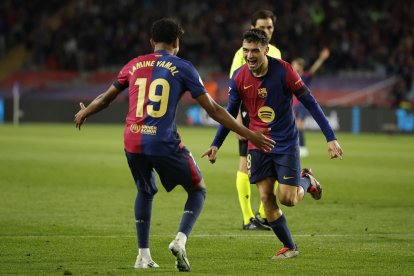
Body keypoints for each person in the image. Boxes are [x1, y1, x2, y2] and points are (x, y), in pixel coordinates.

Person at [74, 18, 274, 271]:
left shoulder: (134, 64)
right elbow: (213, 110)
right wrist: (250, 134)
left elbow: (105, 98)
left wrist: (84, 113)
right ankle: (180, 240)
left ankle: (143, 256)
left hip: (132, 138)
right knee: (197, 189)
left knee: (145, 191)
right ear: (177, 42)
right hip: (162, 140)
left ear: (151, 42)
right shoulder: (184, 67)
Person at [202, 29, 343, 259]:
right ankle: (290, 246)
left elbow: (310, 102)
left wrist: (330, 137)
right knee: (266, 197)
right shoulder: (239, 77)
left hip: (285, 143)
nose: (249, 56)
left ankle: (307, 181)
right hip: (257, 144)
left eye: (255, 50)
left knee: (288, 199)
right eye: (246, 50)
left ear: (266, 50)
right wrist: (216, 144)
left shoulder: (284, 71)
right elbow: (229, 113)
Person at [229, 9, 282, 231]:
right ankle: (247, 217)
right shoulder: (243, 53)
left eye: (269, 27)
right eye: (261, 27)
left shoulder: (276, 52)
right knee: (245, 162)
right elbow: (234, 85)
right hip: (249, 114)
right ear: (253, 28)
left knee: (277, 161)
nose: (266, 31)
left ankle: (263, 214)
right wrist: (237, 121)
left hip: (272, 117)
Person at [291, 48, 330, 157]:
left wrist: (321, 59)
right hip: (293, 105)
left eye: (295, 65)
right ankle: (297, 146)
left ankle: (302, 147)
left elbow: (314, 69)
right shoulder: (291, 76)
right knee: (294, 127)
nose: (293, 66)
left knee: (299, 126)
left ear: (300, 66)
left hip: (302, 104)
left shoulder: (305, 76)